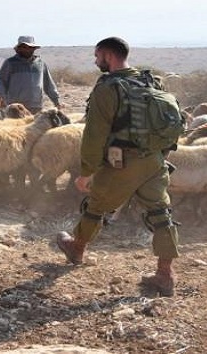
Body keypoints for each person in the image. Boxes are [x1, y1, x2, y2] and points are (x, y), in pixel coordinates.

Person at [55, 36, 180, 297]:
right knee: (160, 213)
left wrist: (86, 172)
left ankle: (77, 248)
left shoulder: (107, 88)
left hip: (121, 163)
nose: (95, 61)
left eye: (97, 55)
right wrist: (159, 156)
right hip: (154, 160)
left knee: (96, 207)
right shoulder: (151, 81)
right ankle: (165, 274)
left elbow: (94, 135)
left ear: (109, 56)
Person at [0, 35, 61, 114]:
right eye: (24, 47)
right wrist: (3, 97)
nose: (27, 50)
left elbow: (48, 84)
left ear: (34, 49)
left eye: (30, 47)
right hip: (15, 108)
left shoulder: (40, 64)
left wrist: (56, 101)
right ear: (19, 48)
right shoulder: (10, 63)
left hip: (36, 106)